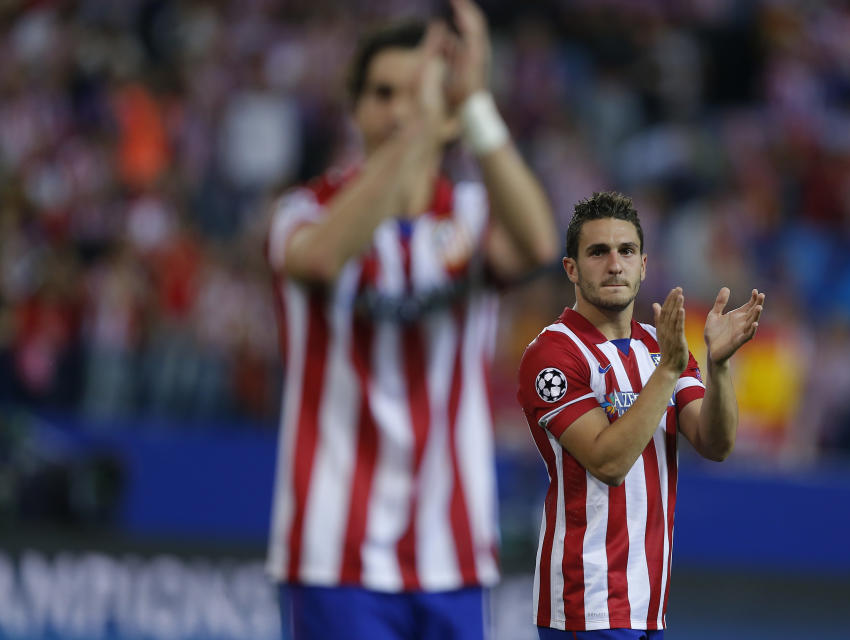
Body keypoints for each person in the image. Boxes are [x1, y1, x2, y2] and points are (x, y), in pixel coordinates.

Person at [264, 0, 557, 638]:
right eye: (383, 94)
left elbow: (538, 244)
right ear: (355, 108)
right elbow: (317, 261)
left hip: (450, 550)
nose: (400, 110)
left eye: (415, 93)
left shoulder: (473, 218)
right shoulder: (303, 213)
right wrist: (419, 133)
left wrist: (474, 104)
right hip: (333, 550)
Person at [517, 191, 765, 638]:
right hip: (586, 603)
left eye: (626, 251)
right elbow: (608, 463)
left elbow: (716, 443)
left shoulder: (661, 345)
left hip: (648, 602)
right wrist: (669, 370)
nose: (614, 264)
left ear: (644, 264)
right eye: (598, 252)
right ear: (571, 268)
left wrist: (719, 365)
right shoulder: (553, 354)